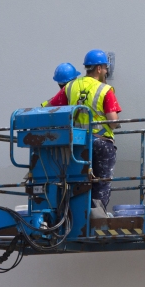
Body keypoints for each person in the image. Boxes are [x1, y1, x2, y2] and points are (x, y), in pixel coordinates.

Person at [42, 50, 121, 210]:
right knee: (101, 183)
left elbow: (49, 108)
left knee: (78, 181)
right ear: (98, 68)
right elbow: (113, 121)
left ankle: (76, 215)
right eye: (105, 68)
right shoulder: (105, 90)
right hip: (101, 142)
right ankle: (96, 216)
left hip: (77, 143)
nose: (106, 71)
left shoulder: (70, 87)